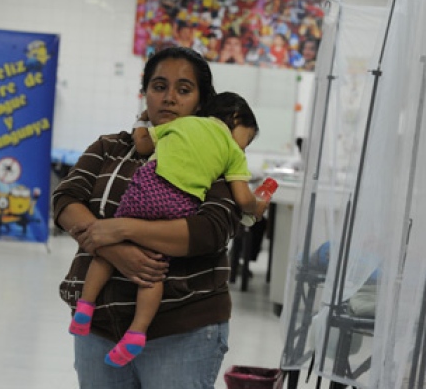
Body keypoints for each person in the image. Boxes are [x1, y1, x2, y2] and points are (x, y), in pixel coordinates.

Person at [53, 46, 244, 388]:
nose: (169, 98)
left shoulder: (214, 159)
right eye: (159, 87)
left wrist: (120, 229)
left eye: (184, 90)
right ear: (145, 95)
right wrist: (114, 251)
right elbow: (66, 199)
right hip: (97, 327)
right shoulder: (110, 147)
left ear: (200, 102)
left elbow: (209, 232)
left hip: (180, 332)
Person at [68, 91, 268, 368]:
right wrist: (258, 207)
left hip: (145, 190)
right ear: (236, 118)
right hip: (179, 206)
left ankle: (85, 309)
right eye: (247, 139)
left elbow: (141, 144)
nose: (244, 147)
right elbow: (244, 200)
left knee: (104, 254)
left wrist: (142, 119)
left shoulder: (182, 124)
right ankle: (137, 332)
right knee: (153, 269)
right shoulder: (233, 154)